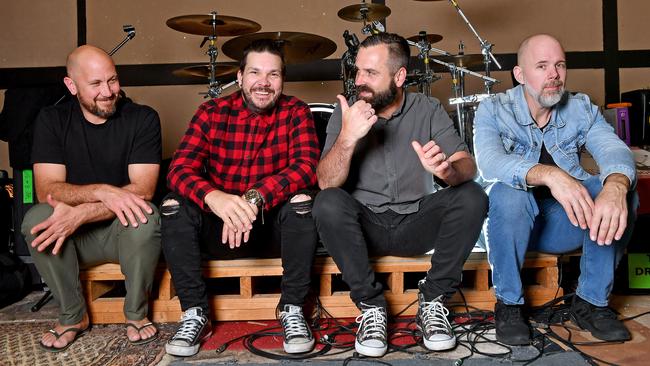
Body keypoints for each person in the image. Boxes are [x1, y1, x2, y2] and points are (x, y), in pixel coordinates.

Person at [312, 33, 488, 357]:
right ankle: (371, 307)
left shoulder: (428, 108)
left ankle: (433, 301)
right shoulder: (347, 111)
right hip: (366, 227)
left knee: (472, 195)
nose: (359, 81)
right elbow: (326, 182)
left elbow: (468, 165)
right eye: (358, 71)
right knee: (327, 202)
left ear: (400, 76)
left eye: (371, 73)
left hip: (416, 223)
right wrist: (348, 138)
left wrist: (448, 171)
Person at [473, 34, 638, 345]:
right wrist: (550, 175)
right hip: (505, 227)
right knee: (509, 194)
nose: (554, 75)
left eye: (560, 65)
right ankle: (509, 304)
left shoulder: (581, 108)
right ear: (520, 75)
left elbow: (613, 149)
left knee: (622, 190)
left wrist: (615, 184)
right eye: (542, 66)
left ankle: (590, 303)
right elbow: (490, 163)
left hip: (563, 223)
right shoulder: (493, 110)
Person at [161, 39, 320, 357]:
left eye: (273, 74)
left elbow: (307, 167)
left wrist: (255, 198)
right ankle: (195, 313)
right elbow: (178, 169)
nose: (264, 82)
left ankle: (292, 309)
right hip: (218, 232)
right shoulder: (211, 111)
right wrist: (214, 198)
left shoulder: (296, 111)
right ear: (239, 77)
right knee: (172, 205)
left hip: (272, 233)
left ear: (282, 79)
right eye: (255, 73)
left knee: (303, 202)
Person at [21, 45, 162, 352]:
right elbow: (46, 188)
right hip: (71, 238)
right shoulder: (51, 120)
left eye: (112, 80)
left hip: (120, 233)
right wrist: (102, 191)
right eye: (95, 84)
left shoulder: (143, 118)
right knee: (34, 219)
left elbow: (143, 189)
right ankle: (72, 316)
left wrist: (83, 212)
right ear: (71, 86)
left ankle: (137, 314)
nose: (108, 91)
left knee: (146, 214)